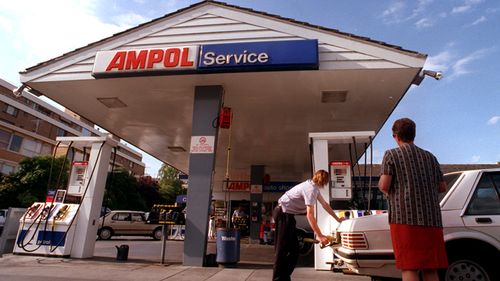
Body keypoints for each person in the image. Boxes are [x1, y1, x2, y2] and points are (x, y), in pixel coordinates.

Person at [378, 118, 448, 281]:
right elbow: (442, 187)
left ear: (396, 136)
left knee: (409, 267)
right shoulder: (430, 157)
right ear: (414, 135)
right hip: (431, 219)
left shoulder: (392, 154)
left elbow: (384, 185)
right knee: (431, 268)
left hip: (405, 218)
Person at [272, 169, 342, 281]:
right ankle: (278, 279)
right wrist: (319, 235)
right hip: (282, 213)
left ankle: (284, 277)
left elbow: (325, 205)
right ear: (324, 181)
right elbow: (310, 215)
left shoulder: (313, 187)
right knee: (282, 249)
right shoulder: (310, 189)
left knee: (294, 250)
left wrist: (338, 219)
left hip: (288, 215)